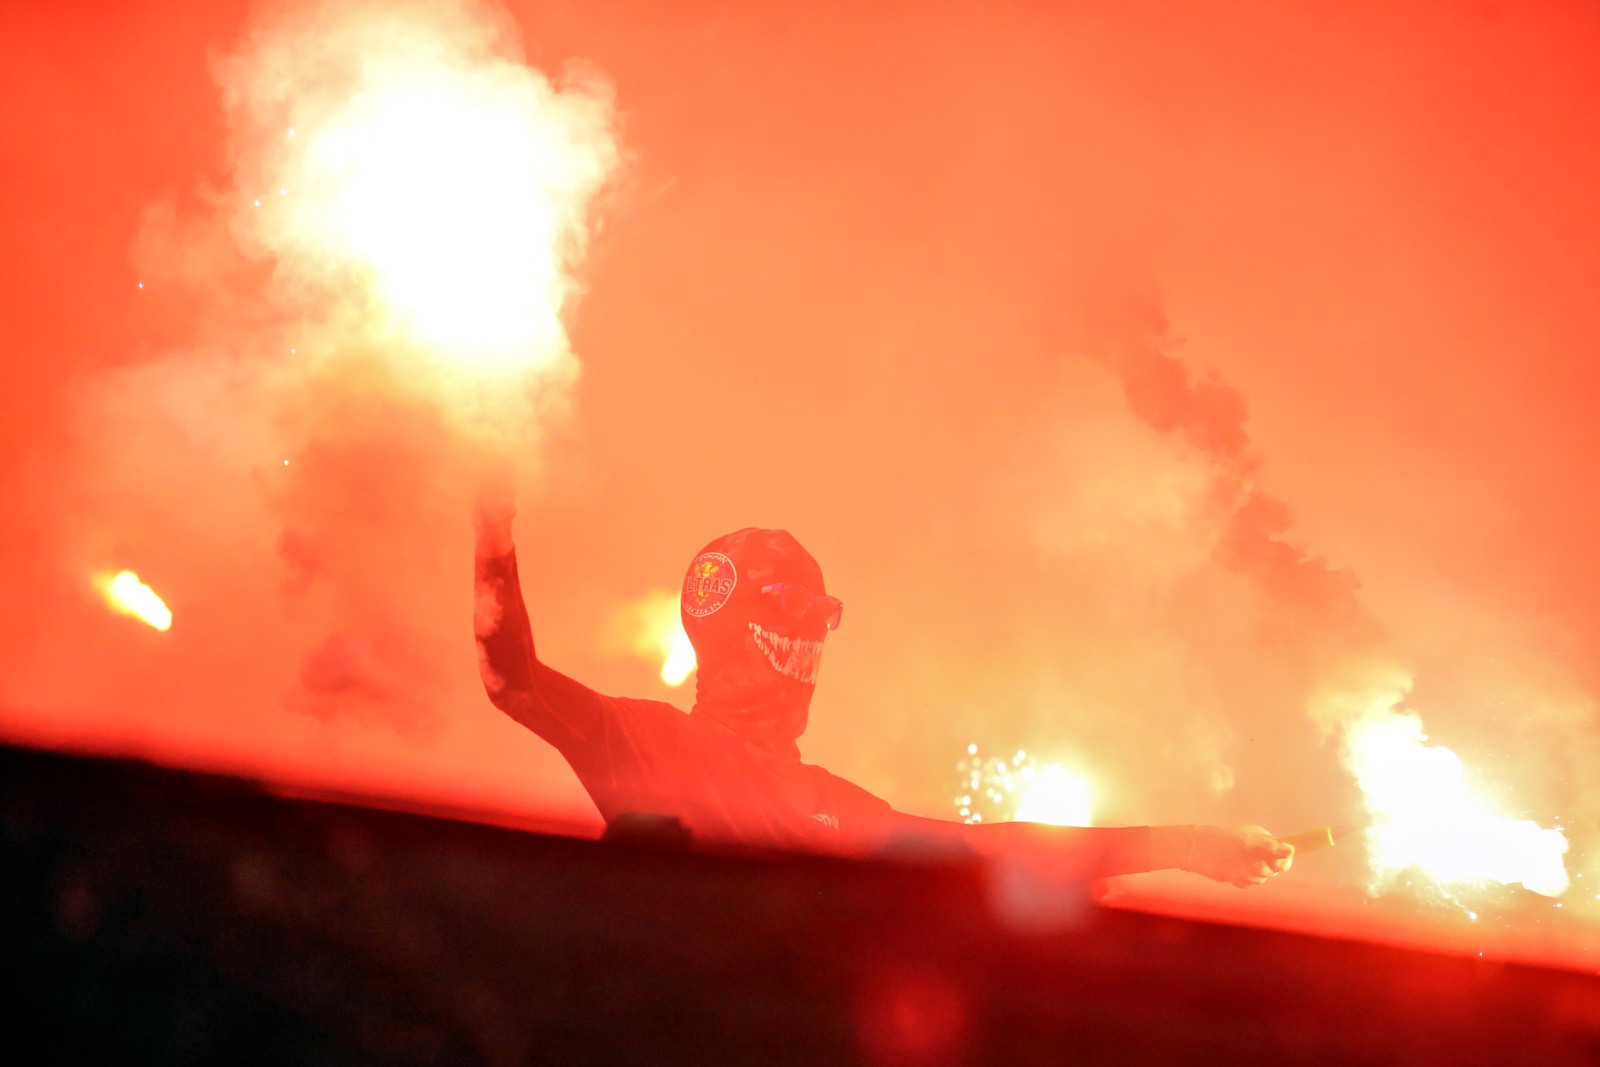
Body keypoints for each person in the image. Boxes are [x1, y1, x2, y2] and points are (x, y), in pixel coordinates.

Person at [474, 502, 1294, 887]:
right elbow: (512, 677)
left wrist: (1185, 845)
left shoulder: (837, 807)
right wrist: (493, 524)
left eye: (823, 616)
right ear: (731, 621)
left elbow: (996, 849)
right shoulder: (651, 744)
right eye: (794, 608)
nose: (813, 636)